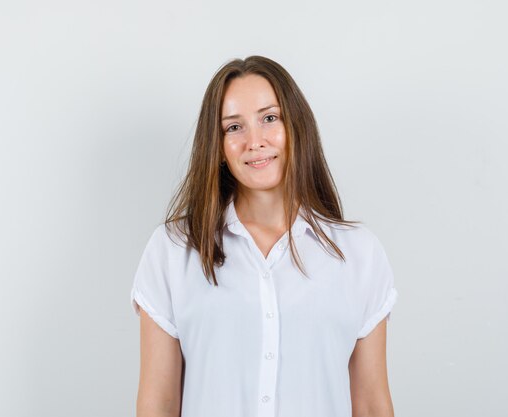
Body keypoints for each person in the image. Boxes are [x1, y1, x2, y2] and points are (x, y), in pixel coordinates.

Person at [129, 55, 398, 417]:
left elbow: (371, 404)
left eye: (269, 118)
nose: (254, 141)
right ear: (219, 147)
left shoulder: (358, 254)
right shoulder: (173, 250)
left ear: (296, 128)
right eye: (234, 127)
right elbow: (158, 405)